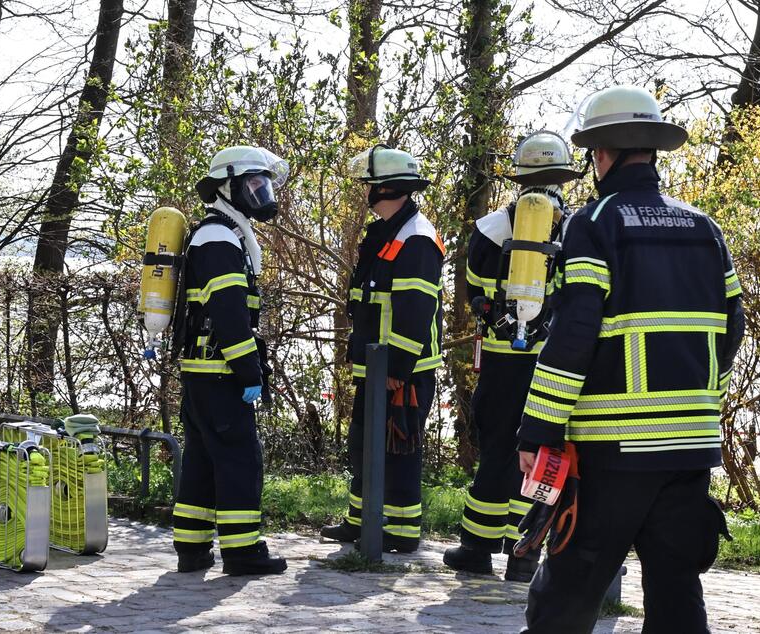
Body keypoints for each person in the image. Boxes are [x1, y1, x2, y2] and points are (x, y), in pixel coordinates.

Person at [516, 86, 743, 633]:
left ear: (601, 154)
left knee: (568, 592)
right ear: (653, 150)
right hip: (690, 446)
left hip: (613, 453)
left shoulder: (594, 224)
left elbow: (574, 336)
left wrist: (537, 430)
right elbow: (731, 330)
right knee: (676, 593)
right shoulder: (704, 228)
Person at [443, 131, 583, 582]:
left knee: (497, 449)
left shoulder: (487, 230)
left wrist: (502, 322)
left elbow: (475, 297)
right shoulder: (579, 229)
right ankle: (524, 555)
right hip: (554, 364)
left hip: (503, 357)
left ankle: (476, 548)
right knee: (544, 451)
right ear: (563, 176)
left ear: (518, 177)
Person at [320, 145, 445, 553]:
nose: (367, 193)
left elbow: (414, 311)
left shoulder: (417, 238)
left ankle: (403, 531)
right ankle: (361, 520)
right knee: (364, 444)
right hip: (376, 365)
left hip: (401, 370)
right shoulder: (386, 233)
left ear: (388, 188)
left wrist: (398, 369)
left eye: (371, 186)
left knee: (398, 448)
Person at [171, 145, 289, 576]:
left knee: (203, 458)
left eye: (265, 184)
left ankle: (192, 547)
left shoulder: (219, 233)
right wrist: (249, 371)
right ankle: (242, 552)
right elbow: (229, 316)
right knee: (241, 457)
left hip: (204, 372)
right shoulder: (220, 239)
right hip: (220, 372)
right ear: (228, 186)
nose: (263, 193)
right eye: (254, 184)